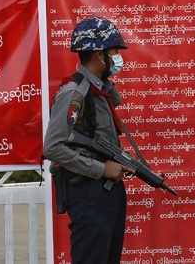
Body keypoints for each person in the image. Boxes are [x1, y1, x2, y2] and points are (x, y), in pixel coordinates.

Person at [43, 16, 132, 264]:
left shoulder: (98, 91)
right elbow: (53, 147)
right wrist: (101, 169)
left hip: (108, 191)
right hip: (89, 191)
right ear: (97, 55)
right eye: (113, 51)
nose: (117, 57)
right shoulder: (74, 93)